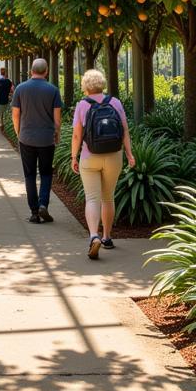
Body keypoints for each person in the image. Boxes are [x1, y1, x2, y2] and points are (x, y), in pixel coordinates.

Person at [70, 68, 135, 259]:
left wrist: (74, 156)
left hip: (90, 156)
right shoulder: (115, 102)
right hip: (114, 155)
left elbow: (76, 135)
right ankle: (107, 237)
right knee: (108, 197)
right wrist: (130, 155)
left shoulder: (82, 105)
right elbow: (125, 131)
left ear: (85, 86)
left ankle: (93, 236)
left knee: (92, 198)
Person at [10, 58, 63, 223]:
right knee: (46, 173)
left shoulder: (21, 89)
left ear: (31, 71)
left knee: (30, 175)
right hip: (46, 139)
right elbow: (57, 119)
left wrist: (19, 132)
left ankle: (34, 212)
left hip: (26, 138)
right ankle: (43, 205)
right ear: (46, 71)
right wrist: (57, 134)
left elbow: (15, 114)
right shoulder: (53, 90)